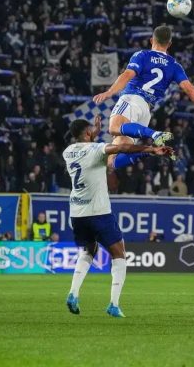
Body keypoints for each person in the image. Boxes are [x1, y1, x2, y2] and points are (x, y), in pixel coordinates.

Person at [63, 115, 173, 318]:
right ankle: (113, 304)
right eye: (92, 129)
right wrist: (150, 149)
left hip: (77, 213)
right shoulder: (96, 149)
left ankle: (73, 293)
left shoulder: (68, 152)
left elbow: (88, 148)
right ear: (87, 133)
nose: (95, 131)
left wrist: (94, 131)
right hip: (98, 212)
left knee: (89, 250)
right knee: (119, 254)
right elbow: (121, 148)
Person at [93, 25, 194, 163]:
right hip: (146, 111)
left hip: (132, 99)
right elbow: (190, 89)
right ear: (169, 44)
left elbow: (127, 75)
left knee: (114, 128)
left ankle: (155, 134)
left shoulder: (142, 55)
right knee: (113, 159)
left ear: (152, 40)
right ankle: (151, 151)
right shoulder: (174, 65)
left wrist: (110, 92)